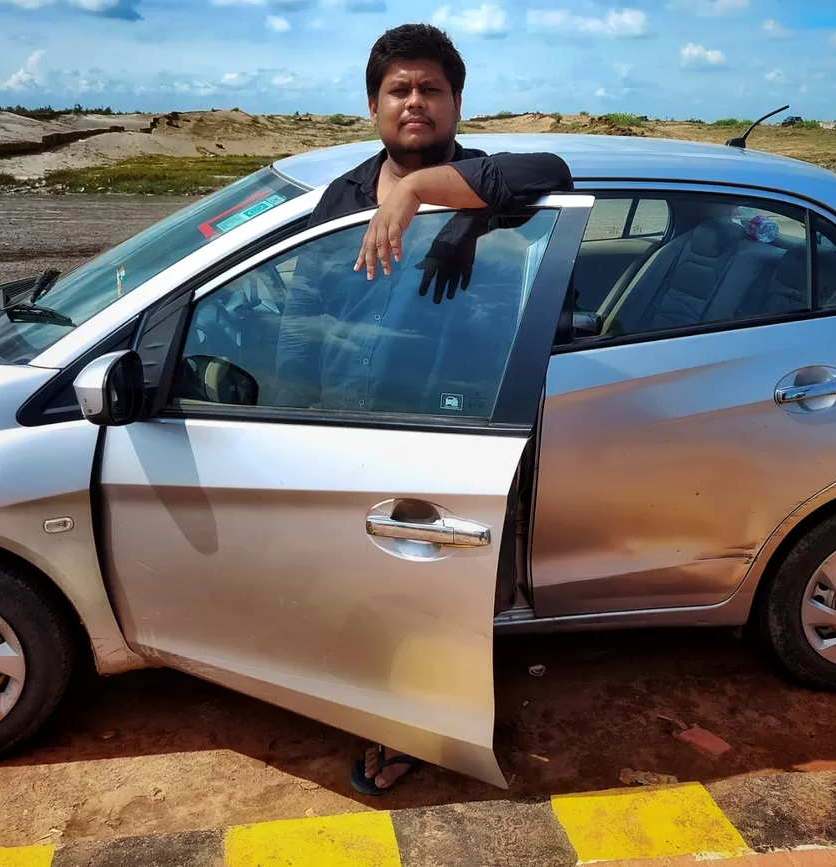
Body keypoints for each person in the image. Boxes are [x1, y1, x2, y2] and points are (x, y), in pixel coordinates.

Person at [274, 22, 573, 795]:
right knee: (364, 586)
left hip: (457, 421)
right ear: (373, 106)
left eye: (430, 89)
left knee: (442, 595)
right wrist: (293, 416)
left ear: (456, 101)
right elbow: (299, 320)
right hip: (347, 418)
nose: (415, 102)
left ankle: (422, 728)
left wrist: (417, 191)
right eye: (398, 90)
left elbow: (553, 166)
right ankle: (380, 701)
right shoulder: (339, 201)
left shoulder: (486, 185)